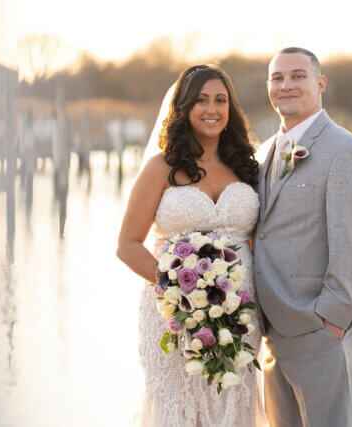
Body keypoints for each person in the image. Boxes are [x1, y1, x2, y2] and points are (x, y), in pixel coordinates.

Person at [116, 65, 266, 426]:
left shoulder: (247, 167)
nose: (212, 109)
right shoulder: (161, 167)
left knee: (232, 404)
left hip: (240, 315)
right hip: (172, 315)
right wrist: (177, 289)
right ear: (183, 107)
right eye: (201, 100)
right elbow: (128, 244)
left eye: (220, 100)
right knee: (178, 409)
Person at [252, 47, 352, 427]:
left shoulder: (345, 150)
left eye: (297, 76)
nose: (285, 85)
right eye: (277, 78)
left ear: (320, 84)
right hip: (272, 333)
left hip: (319, 331)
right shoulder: (264, 152)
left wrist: (332, 320)